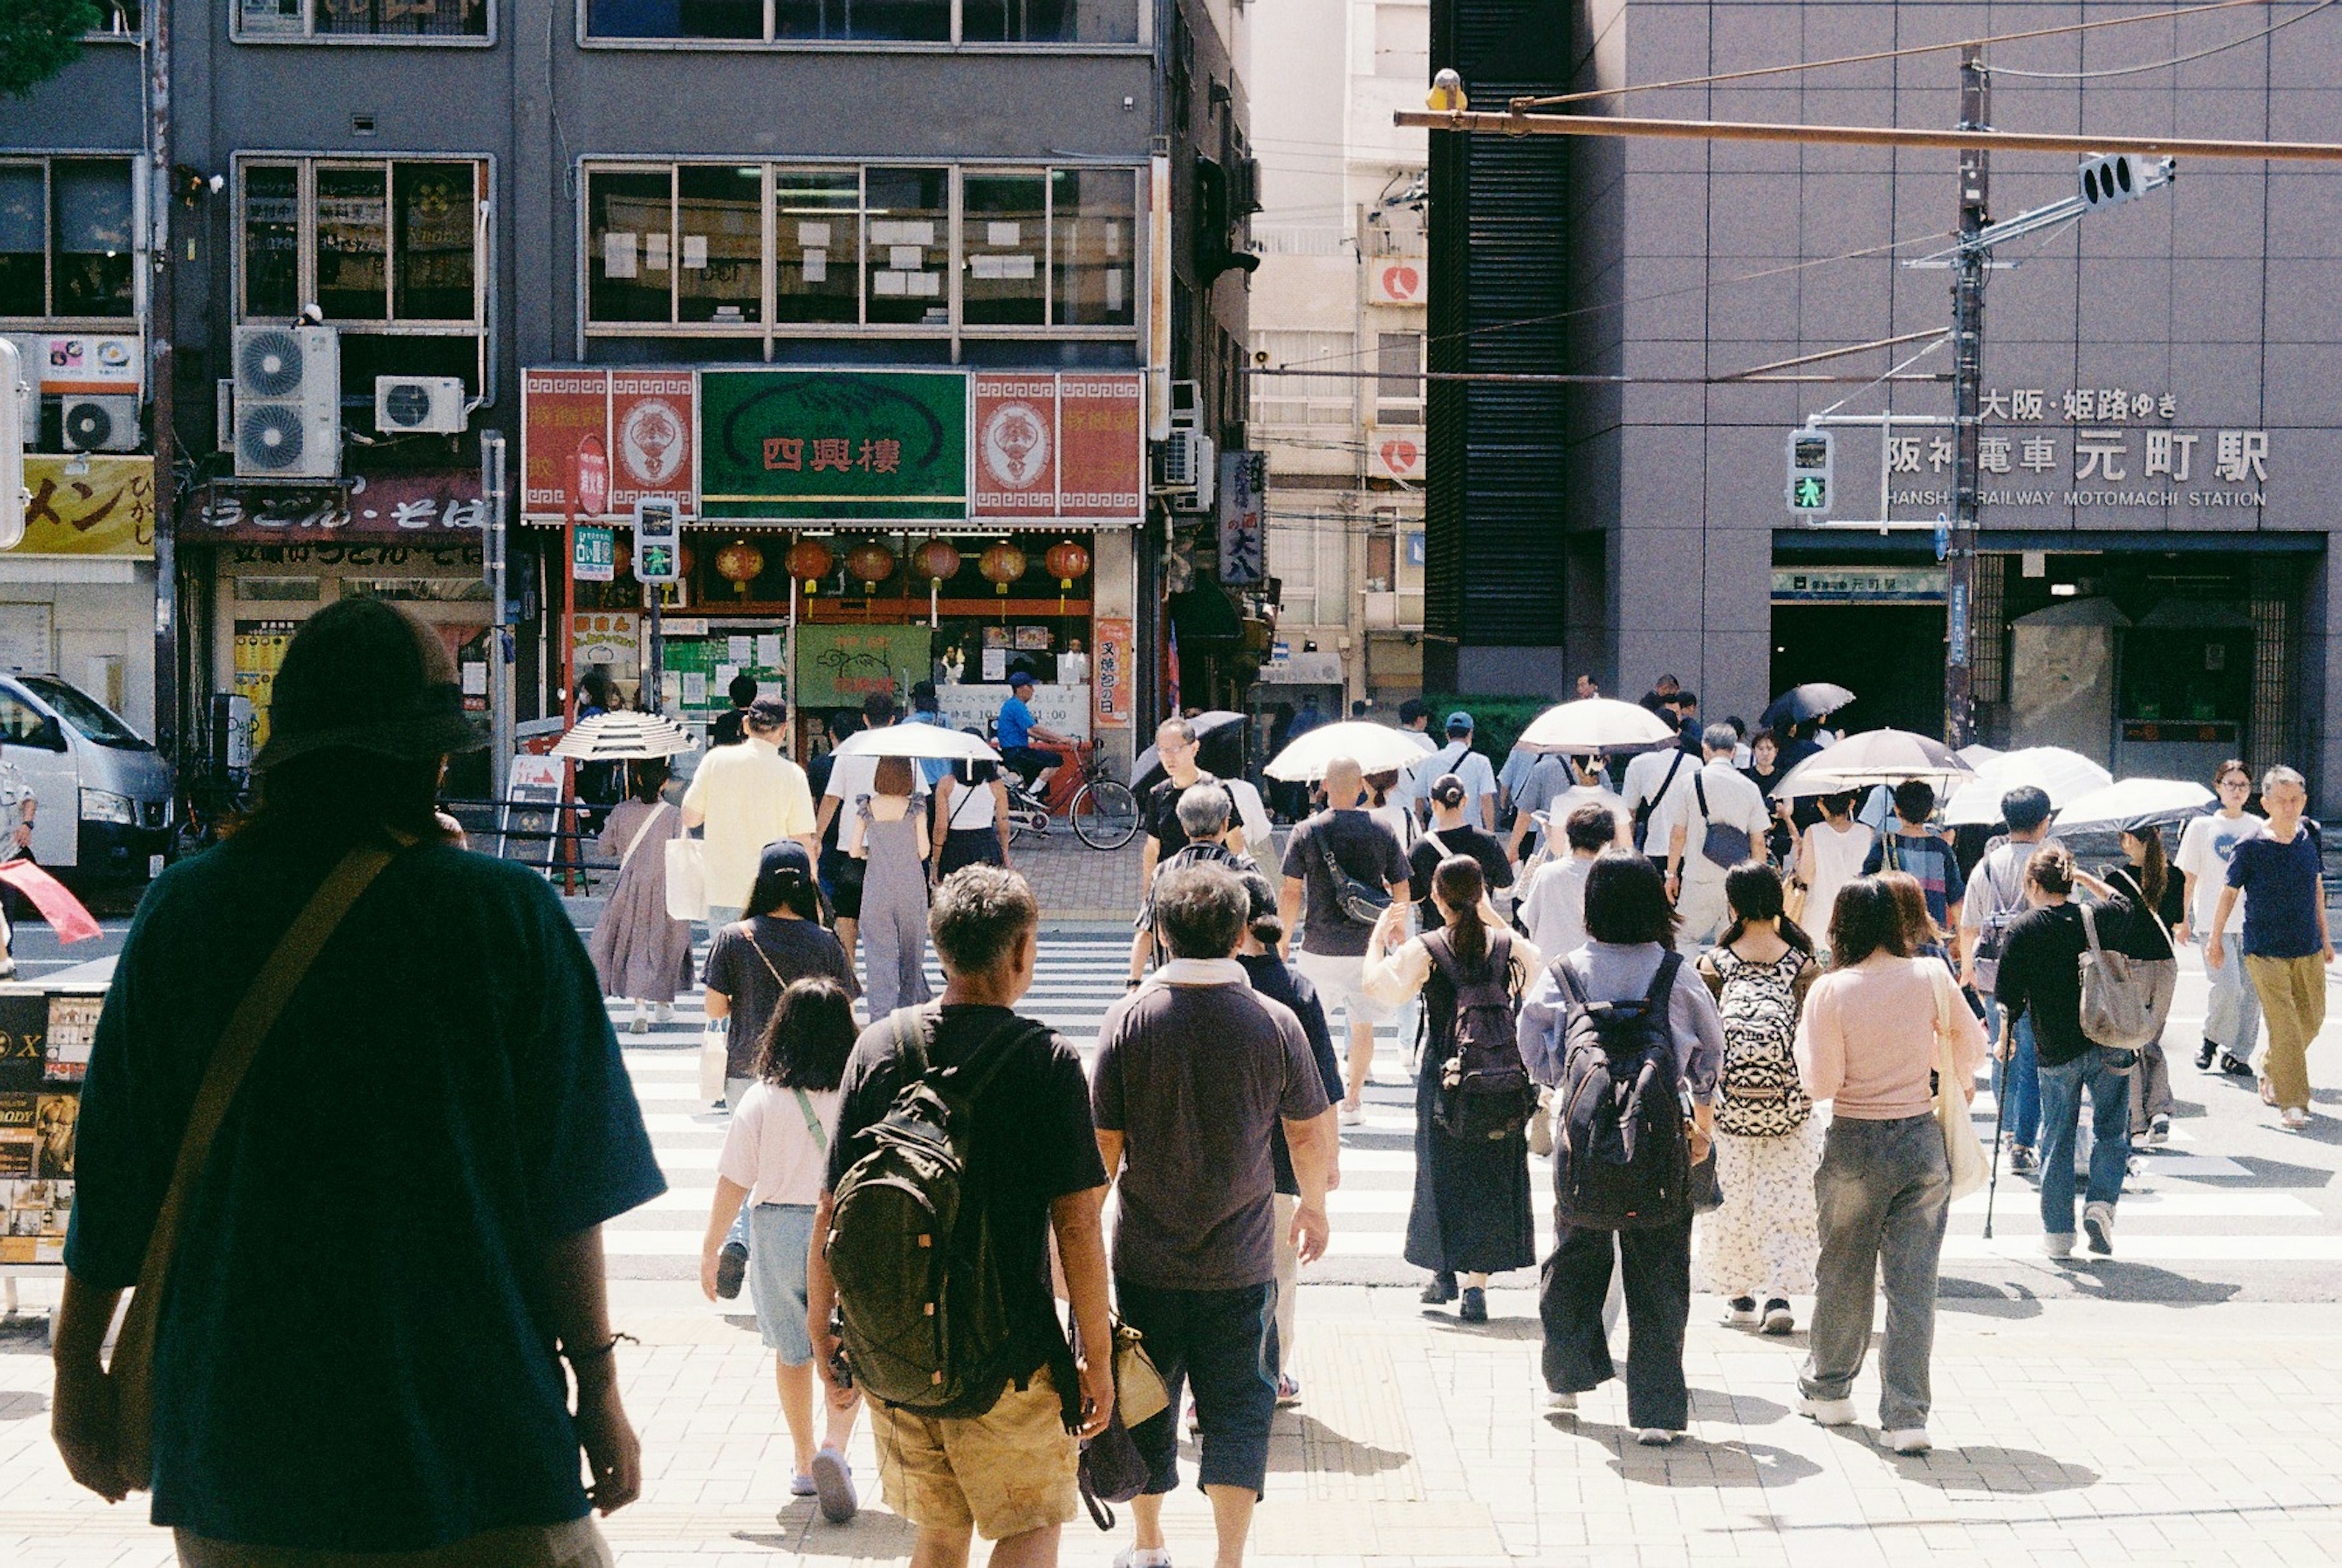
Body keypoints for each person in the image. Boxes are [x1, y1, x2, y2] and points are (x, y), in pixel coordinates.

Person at [54, 596, 664, 1552]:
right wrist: (597, 1388)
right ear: (430, 756)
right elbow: (567, 1191)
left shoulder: (187, 911)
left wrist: (74, 1373)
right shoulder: (507, 915)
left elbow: (117, 1170)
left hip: (242, 1448)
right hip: (482, 1438)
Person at [807, 866, 1115, 1566]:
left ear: (940, 949)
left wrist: (821, 1328)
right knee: (1029, 1526)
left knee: (942, 1535)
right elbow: (1077, 1227)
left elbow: (830, 1206)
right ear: (1021, 951)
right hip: (1011, 1362)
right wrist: (1097, 1360)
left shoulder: (880, 1046)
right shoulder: (1047, 1061)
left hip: (901, 1353)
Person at [1091, 864, 1337, 1568]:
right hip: (1243, 1261)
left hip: (1145, 1261)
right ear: (1237, 935)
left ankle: (1147, 1545)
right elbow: (1307, 1131)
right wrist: (1314, 1208)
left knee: (1144, 1403)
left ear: (1162, 932)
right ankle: (1228, 1559)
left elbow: (1102, 1152)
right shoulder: (1273, 1021)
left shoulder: (1129, 1020)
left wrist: (1073, 1248)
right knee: (1238, 1414)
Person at [1516, 851, 1722, 1445]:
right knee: (1660, 1270)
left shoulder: (1565, 973)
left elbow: (1531, 1046)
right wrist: (1701, 1122)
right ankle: (1657, 1414)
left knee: (1575, 1254)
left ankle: (1565, 1382)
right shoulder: (1677, 975)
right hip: (1661, 1140)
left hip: (1581, 1140)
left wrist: (1568, 1089)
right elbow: (1711, 1054)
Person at [1794, 876, 1985, 1455]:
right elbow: (1973, 1048)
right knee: (1913, 1284)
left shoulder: (1831, 990)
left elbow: (1821, 1082)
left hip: (1855, 1141)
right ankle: (1906, 1416)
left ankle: (1830, 1390)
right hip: (1921, 1141)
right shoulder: (1930, 976)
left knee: (1844, 1273)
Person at [701, 978, 865, 1521]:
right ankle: (833, 1449)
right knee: (852, 1339)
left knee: (793, 1350)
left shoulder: (763, 1097)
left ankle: (801, 1461)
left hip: (774, 1230)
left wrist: (711, 1249)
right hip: (845, 1229)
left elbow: (733, 1179)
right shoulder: (860, 1093)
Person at [1362, 855, 1541, 1323]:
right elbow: (1539, 970)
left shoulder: (1427, 948)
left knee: (1438, 1168)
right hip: (1500, 1074)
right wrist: (1491, 913)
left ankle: (1441, 1270)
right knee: (1490, 1172)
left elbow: (1377, 987)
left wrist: (1379, 936)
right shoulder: (1505, 945)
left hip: (1444, 1076)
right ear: (1481, 894)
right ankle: (1476, 1288)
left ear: (1437, 898)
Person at [702, 842, 859, 1295]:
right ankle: (784, 1258)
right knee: (795, 1166)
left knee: (748, 1161)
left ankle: (735, 1240)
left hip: (748, 1067)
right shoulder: (825, 941)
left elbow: (715, 1005)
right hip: (813, 1067)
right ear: (808, 884)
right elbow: (844, 1003)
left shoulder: (735, 937)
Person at [1232, 869, 1346, 1404]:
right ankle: (1268, 1377)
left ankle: (1208, 1386)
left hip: (1223, 1158)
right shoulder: (1297, 991)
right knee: (1277, 1277)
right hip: (1279, 1161)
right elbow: (1322, 1091)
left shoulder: (1218, 985)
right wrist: (1328, 1165)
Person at [1694, 863, 1819, 1336]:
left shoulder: (1714, 964)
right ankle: (1780, 1295)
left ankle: (1740, 1296)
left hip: (1729, 1109)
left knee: (1733, 1202)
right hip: (1788, 1109)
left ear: (1733, 904)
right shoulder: (1803, 962)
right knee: (1787, 1202)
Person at [1997, 843, 2129, 1257]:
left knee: (2056, 1136)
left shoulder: (2023, 928)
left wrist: (2006, 1038)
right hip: (2108, 1037)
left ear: (2033, 884)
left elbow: (2008, 996)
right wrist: (2088, 881)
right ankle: (2102, 1203)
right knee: (2112, 1129)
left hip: (2056, 1046)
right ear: (2069, 881)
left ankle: (2058, 1233)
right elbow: (2127, 904)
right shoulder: (2095, 917)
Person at [1279, 757, 1411, 1125]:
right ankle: (1354, 1100)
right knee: (1363, 1026)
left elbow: (1291, 892)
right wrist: (1395, 929)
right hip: (1368, 948)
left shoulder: (1306, 831)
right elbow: (1402, 886)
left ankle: (1321, 1095)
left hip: (1318, 947)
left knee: (1311, 1026)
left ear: (1324, 785)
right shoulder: (1382, 829)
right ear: (1361, 788)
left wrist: (1284, 938)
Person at [2209, 765, 2332, 1131]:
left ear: (2304, 801)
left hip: (2307, 945)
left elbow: (2317, 888)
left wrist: (2325, 939)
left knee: (2313, 1018)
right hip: (2264, 950)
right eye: (2282, 800)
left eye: (2296, 800)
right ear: (2266, 803)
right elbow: (2228, 894)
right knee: (2287, 1026)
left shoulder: (2310, 834)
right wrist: (2215, 940)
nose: (2290, 807)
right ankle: (2293, 1104)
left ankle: (2269, 1063)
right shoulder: (2250, 846)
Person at [1957, 786, 2055, 1175]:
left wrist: (1967, 970)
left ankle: (2008, 1126)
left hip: (1992, 974)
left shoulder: (1986, 866)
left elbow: (1968, 926)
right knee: (2031, 1058)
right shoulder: (2049, 864)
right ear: (2044, 821)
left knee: (2003, 1050)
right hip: (2039, 975)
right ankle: (2022, 1142)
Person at [2077, 824, 2180, 1146]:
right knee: (2153, 1038)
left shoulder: (2116, 880)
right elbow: (2175, 917)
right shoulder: (2175, 877)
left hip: (2131, 966)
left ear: (2130, 841)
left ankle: (2136, 1120)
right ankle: (2160, 1110)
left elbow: (2110, 920)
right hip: (2166, 964)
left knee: (2130, 1040)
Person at [682, 696, 820, 929]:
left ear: (746, 724)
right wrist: (812, 886)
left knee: (726, 962)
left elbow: (690, 817)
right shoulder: (792, 775)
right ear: (784, 729)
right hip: (774, 890)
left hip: (722, 887)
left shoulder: (715, 761)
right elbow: (803, 840)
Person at [815, 692, 923, 967]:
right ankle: (893, 969)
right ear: (892, 719)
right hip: (896, 850)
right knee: (895, 914)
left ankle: (849, 968)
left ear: (864, 718)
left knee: (848, 913)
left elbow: (831, 799)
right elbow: (921, 799)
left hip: (852, 847)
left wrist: (816, 837)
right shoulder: (905, 753)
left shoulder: (850, 749)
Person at [2174, 761, 2266, 1075]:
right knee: (2227, 988)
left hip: (2253, 924)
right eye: (2230, 784)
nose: (2237, 790)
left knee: (2253, 993)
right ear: (2218, 787)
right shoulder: (2202, 828)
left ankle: (2239, 1055)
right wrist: (2182, 918)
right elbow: (2187, 877)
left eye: (2243, 785)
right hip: (2214, 924)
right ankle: (2211, 1039)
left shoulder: (2258, 827)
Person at [590, 757, 693, 1033]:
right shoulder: (674, 815)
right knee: (663, 943)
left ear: (637, 780)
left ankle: (640, 1008)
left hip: (629, 886)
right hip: (666, 887)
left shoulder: (621, 811)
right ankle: (662, 1000)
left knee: (635, 944)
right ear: (664, 782)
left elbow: (605, 849)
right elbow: (684, 850)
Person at [1660, 724, 1772, 954]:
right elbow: (1758, 841)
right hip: (1736, 882)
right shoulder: (1749, 787)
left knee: (1684, 940)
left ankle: (1689, 989)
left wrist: (1671, 875)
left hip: (1697, 878)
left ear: (1705, 749)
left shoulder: (1689, 782)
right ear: (1733, 751)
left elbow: (1678, 834)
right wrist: (1756, 883)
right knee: (1732, 945)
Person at [1130, 783, 1253, 986]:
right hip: (1227, 987)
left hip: (1172, 987)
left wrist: (1134, 982)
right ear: (1225, 824)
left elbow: (1146, 930)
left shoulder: (1164, 871)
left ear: (1185, 827)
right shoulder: (1240, 871)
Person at [843, 755, 934, 1018]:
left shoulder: (867, 807)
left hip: (877, 888)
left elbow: (853, 850)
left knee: (878, 957)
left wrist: (870, 852)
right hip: (910, 887)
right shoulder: (915, 807)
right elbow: (924, 851)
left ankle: (881, 1020)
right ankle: (910, 1016)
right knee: (911, 956)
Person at [1137, 716, 1246, 901]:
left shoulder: (1216, 790)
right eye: (1162, 750)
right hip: (1172, 895)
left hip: (1213, 894)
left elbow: (1235, 843)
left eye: (1176, 749)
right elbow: (1152, 848)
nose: (1169, 757)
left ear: (1194, 748)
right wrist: (1148, 895)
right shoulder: (1158, 794)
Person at [1861, 781, 1966, 937]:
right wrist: (1960, 936)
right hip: (1933, 934)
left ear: (1896, 809)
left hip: (1892, 935)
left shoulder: (1884, 844)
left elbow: (1865, 888)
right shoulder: (1941, 848)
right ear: (1930, 812)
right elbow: (1956, 898)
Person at [1409, 773, 1514, 929]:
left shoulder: (1420, 848)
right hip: (1480, 933)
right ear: (1464, 800)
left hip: (1438, 937)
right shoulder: (1487, 841)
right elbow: (1504, 883)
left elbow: (1415, 896)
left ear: (1433, 804)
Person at [1516, 801, 1617, 961]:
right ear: (1607, 841)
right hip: (1593, 966)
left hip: (1549, 966)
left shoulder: (1546, 873)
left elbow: (1529, 919)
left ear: (1569, 834)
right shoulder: (1611, 878)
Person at [1507, 753, 1626, 865]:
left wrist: (1513, 849)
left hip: (1552, 857)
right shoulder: (1599, 771)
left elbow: (1525, 814)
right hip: (1596, 858)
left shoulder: (1542, 769)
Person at [1794, 789, 1874, 950]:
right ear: (1851, 804)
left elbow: (1806, 876)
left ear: (1821, 805)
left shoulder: (1814, 831)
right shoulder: (1867, 832)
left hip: (1819, 922)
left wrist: (1798, 861)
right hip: (1858, 922)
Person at [1406, 711, 1497, 829]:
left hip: (1437, 830)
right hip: (1471, 831)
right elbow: (1486, 799)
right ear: (1470, 733)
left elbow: (1419, 795)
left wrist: (1420, 821)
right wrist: (1490, 831)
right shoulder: (1481, 762)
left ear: (1447, 734)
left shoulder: (1430, 760)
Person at [931, 756, 1012, 879]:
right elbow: (1004, 826)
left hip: (955, 846)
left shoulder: (946, 783)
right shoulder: (996, 784)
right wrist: (1005, 852)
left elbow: (941, 827)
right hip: (986, 845)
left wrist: (936, 860)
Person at [997, 671, 1074, 794]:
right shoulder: (1016, 706)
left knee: (1037, 778)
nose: (1033, 690)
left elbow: (1029, 731)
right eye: (1030, 686)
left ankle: (1034, 800)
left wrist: (1051, 740)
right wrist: (1062, 738)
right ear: (1020, 689)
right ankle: (1031, 795)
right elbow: (1034, 728)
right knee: (1056, 760)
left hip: (1014, 751)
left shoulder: (1013, 705)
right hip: (1016, 752)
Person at [1621, 736, 1696, 856]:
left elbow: (1629, 813)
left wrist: (1626, 853)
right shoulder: (1695, 763)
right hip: (1688, 850)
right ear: (1677, 732)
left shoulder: (1638, 763)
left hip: (1654, 845)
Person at [1742, 729, 1795, 864]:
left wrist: (1782, 811)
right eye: (1760, 749)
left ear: (1776, 751)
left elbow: (1789, 808)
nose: (1765, 753)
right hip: (1750, 837)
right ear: (1754, 751)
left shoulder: (1784, 777)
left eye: (1769, 749)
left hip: (1776, 838)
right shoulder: (1744, 777)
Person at [711, 671, 762, 748]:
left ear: (732, 696)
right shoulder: (760, 720)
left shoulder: (724, 721)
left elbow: (718, 748)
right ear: (755, 696)